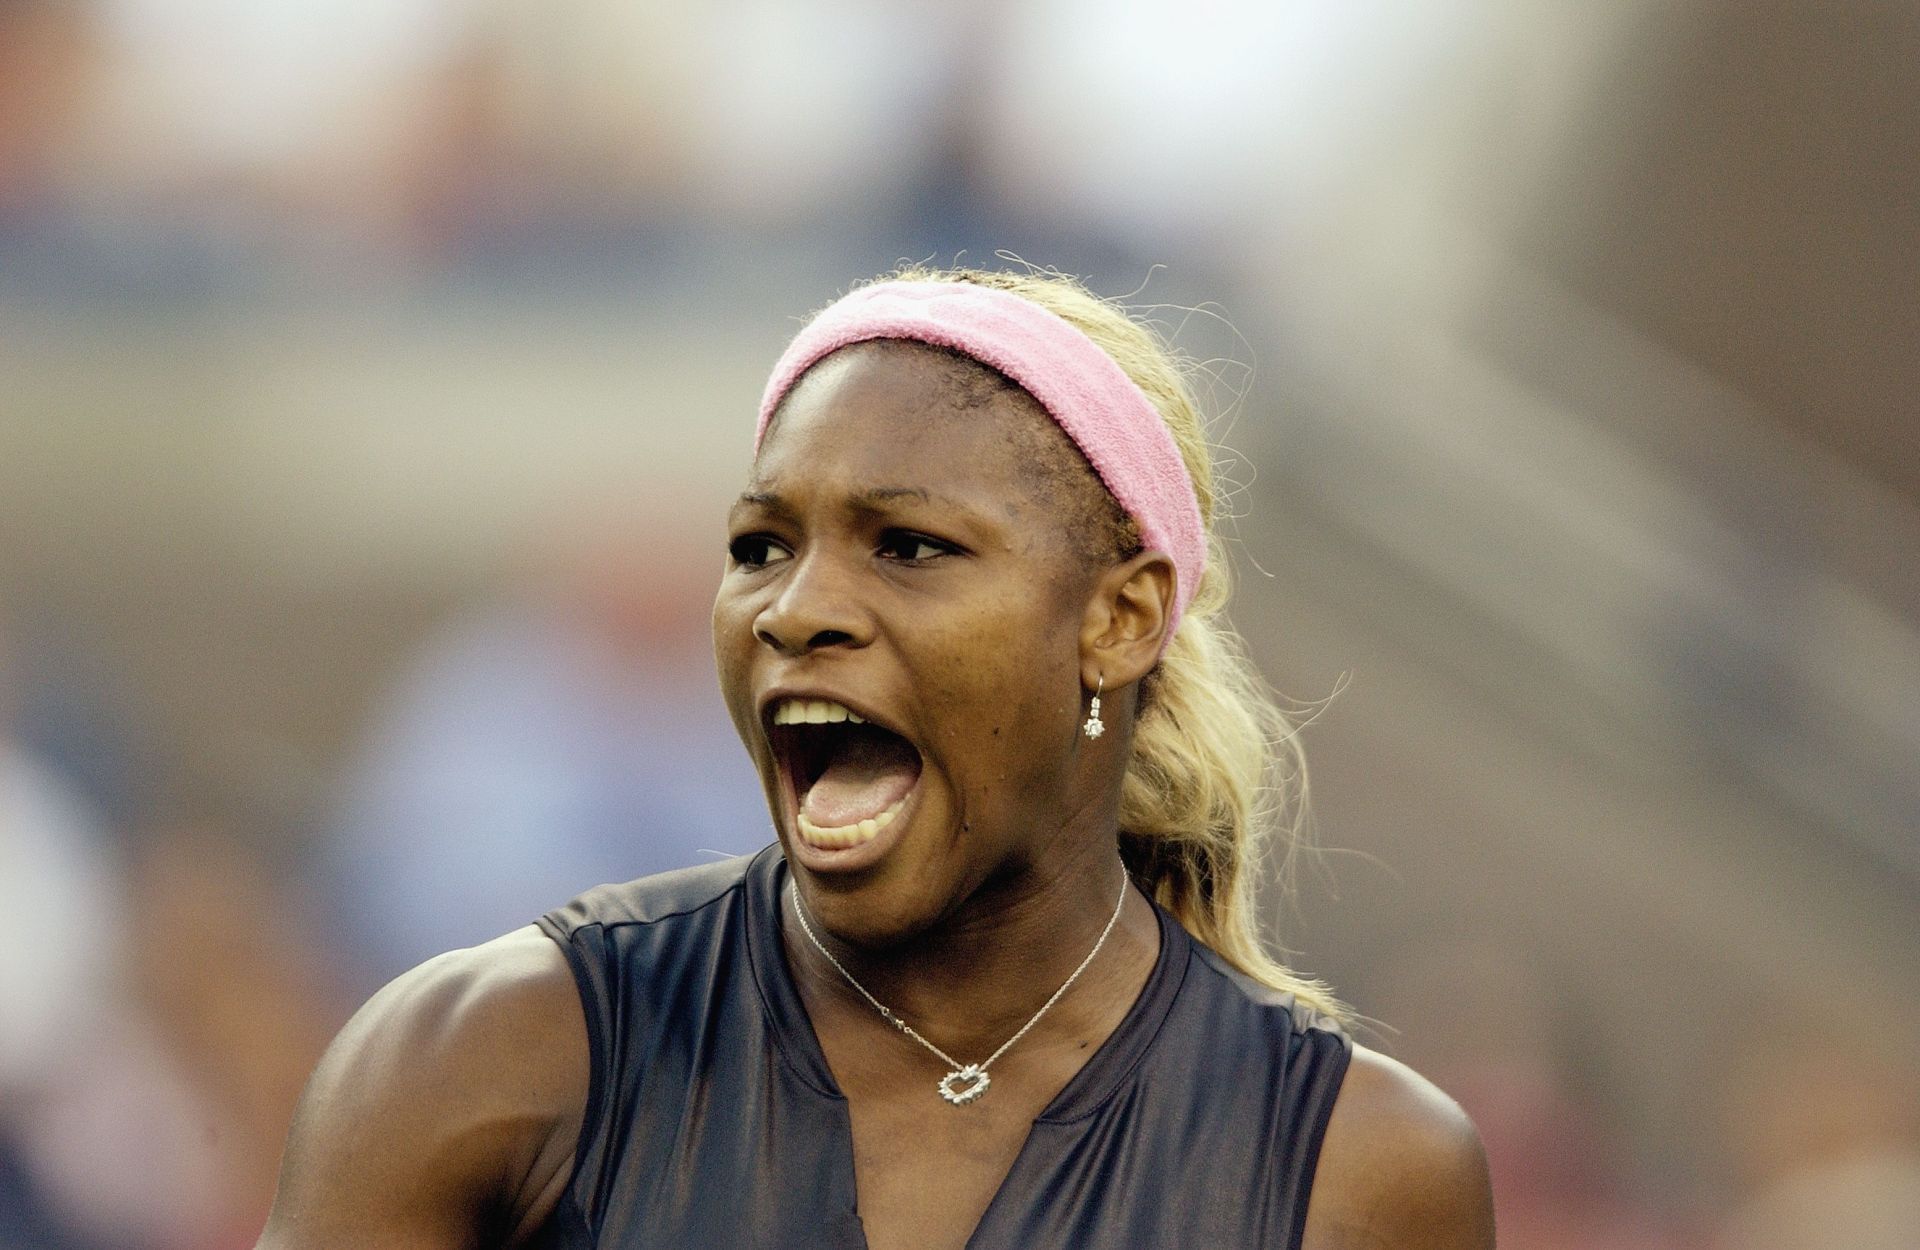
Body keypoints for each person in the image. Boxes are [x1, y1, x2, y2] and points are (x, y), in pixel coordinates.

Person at [256, 267, 1495, 1249]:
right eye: (760, 544)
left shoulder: (1356, 1167)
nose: (795, 608)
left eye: (906, 545)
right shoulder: (482, 1058)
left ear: (1118, 620)